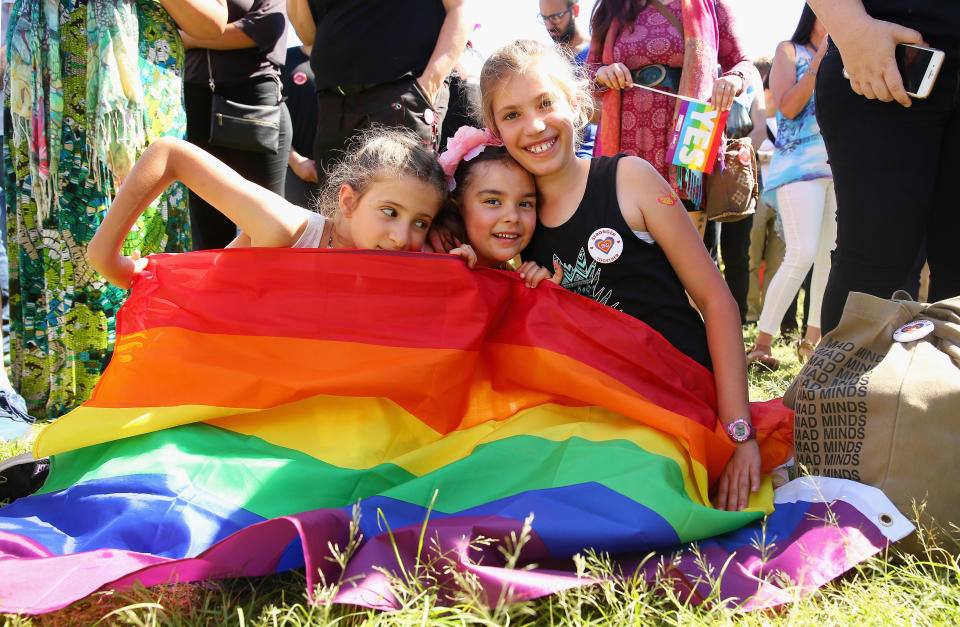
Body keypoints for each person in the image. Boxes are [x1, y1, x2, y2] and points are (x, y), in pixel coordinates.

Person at [477, 40, 759, 512]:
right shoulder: (512, 223)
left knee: (642, 497)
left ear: (576, 102)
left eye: (546, 103)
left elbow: (717, 302)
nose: (535, 125)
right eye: (511, 115)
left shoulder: (632, 179)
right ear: (494, 130)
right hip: (600, 410)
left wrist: (738, 432)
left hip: (678, 397)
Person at [3, 0, 227, 420]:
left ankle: (132, 409)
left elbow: (213, 23)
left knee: (129, 250)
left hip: (125, 113)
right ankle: (50, 418)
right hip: (41, 103)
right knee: (47, 247)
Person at [88, 129, 449, 289]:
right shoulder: (289, 229)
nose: (403, 238)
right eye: (389, 211)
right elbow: (170, 154)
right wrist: (108, 259)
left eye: (420, 222)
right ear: (349, 202)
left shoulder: (399, 264)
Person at [809, 0, 960, 332]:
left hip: (892, 61)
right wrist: (851, 27)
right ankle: (843, 384)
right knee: (873, 269)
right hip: (885, 63)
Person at [587, 0, 753, 234]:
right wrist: (602, 73)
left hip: (690, 137)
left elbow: (743, 63)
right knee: (630, 244)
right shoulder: (613, 6)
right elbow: (587, 74)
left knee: (687, 251)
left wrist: (733, 79)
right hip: (626, 143)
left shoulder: (712, 5)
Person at [286, 0, 470, 186]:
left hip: (401, 92)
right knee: (337, 209)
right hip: (334, 103)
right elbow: (307, 35)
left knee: (398, 198)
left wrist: (429, 83)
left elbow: (461, 7)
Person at [746, 8, 835, 368]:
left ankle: (812, 342)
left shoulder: (847, 52)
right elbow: (788, 106)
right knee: (800, 254)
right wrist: (818, 62)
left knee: (830, 259)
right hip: (797, 168)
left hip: (838, 169)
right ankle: (762, 344)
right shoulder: (789, 51)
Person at [181, 0, 291, 250]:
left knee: (270, 223)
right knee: (207, 227)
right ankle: (219, 289)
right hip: (195, 102)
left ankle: (272, 289)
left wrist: (191, 38)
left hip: (253, 108)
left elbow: (264, 28)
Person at [435, 126, 559, 288]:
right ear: (457, 207)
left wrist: (541, 299)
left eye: (525, 204)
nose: (513, 217)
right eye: (493, 201)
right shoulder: (432, 268)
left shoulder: (521, 280)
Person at [538, 0, 596, 159]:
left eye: (556, 17)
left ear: (575, 10)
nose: (550, 25)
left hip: (591, 149)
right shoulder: (544, 59)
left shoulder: (597, 51)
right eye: (544, 19)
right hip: (553, 149)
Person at [280, 44, 320, 208]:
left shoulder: (349, 63)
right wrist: (295, 160)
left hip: (343, 174)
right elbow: (270, 115)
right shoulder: (284, 60)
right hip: (293, 170)